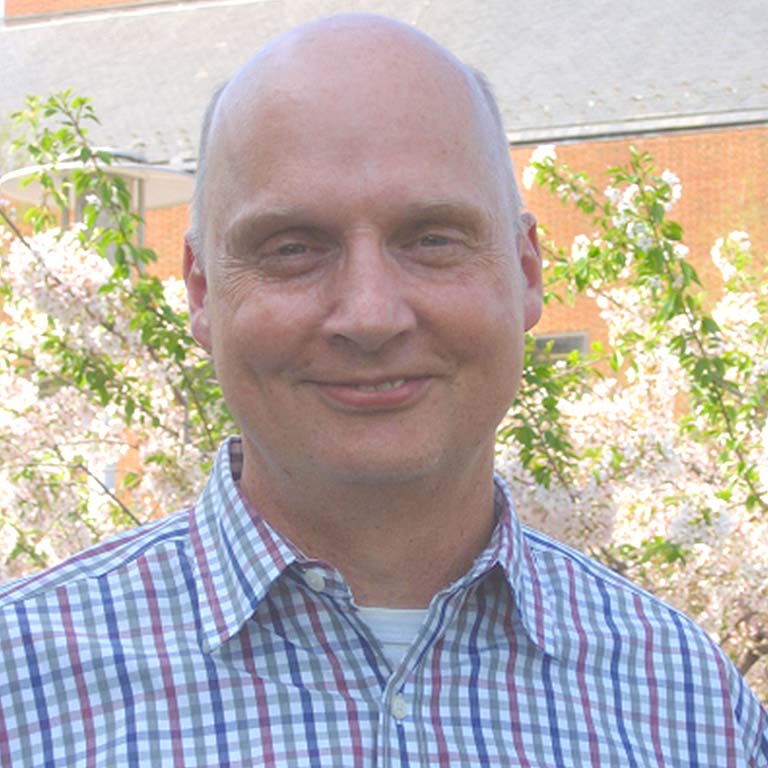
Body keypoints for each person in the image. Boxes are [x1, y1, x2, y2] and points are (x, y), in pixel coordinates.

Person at [0, 13, 766, 767]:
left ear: (528, 271)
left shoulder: (692, 709)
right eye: (293, 248)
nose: (370, 315)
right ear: (201, 291)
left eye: (432, 239)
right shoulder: (21, 695)